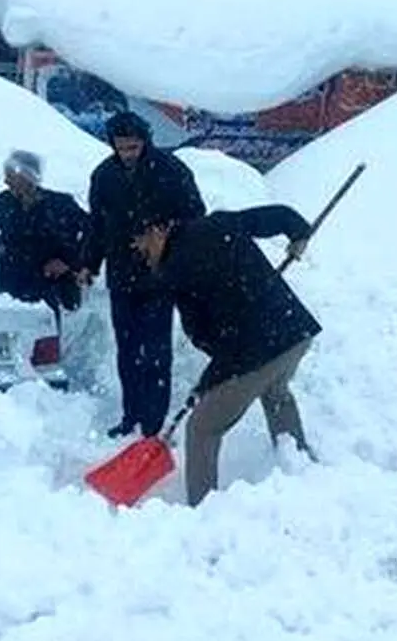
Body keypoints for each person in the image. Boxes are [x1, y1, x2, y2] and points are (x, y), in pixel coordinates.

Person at [130, 204, 322, 507]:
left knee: (202, 428)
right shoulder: (217, 224)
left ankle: (205, 511)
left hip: (258, 347)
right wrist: (298, 232)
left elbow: (217, 343)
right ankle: (303, 468)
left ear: (159, 230)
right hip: (294, 331)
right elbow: (278, 216)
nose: (138, 250)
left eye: (139, 241)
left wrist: (208, 384)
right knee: (275, 390)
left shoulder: (175, 272)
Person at [77, 111, 208, 439]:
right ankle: (130, 415)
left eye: (134, 147)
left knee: (156, 351)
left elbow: (196, 215)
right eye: (122, 148)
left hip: (159, 274)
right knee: (127, 350)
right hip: (121, 275)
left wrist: (163, 234)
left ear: (145, 141)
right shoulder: (104, 176)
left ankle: (153, 422)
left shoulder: (171, 171)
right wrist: (89, 264)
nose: (128, 154)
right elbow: (97, 225)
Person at [0, 150, 89, 331]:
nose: (6, 181)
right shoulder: (5, 202)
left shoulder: (60, 204)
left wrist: (69, 263)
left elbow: (93, 231)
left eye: (11, 176)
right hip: (16, 281)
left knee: (56, 340)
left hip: (54, 282)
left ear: (28, 176)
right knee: (19, 333)